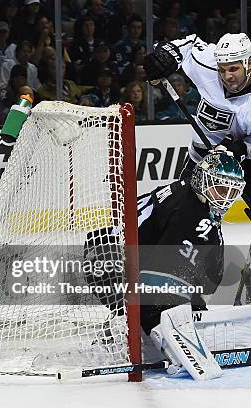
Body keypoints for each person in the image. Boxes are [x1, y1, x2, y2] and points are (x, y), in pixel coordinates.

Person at [84, 149, 246, 363]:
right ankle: (119, 336)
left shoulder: (190, 191)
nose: (225, 198)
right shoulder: (188, 214)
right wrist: (163, 327)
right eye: (220, 189)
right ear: (203, 180)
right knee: (159, 308)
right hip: (107, 262)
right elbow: (160, 276)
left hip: (105, 253)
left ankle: (130, 325)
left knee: (181, 294)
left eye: (232, 192)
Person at [144, 32, 251, 194]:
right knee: (185, 208)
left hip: (245, 158)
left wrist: (240, 148)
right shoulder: (207, 64)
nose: (227, 76)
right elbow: (190, 44)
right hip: (202, 157)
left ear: (248, 63)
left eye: (233, 69)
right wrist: (167, 55)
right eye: (222, 70)